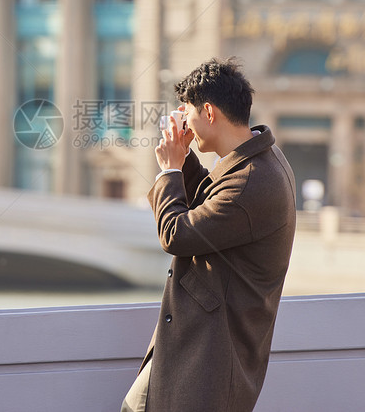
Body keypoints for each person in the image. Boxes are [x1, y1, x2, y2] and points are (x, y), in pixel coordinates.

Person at [122, 58, 296, 412]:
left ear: (209, 112)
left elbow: (177, 234)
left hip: (211, 361)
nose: (185, 123)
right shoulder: (255, 161)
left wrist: (169, 170)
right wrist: (184, 159)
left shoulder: (254, 180)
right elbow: (211, 206)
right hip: (192, 348)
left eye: (187, 113)